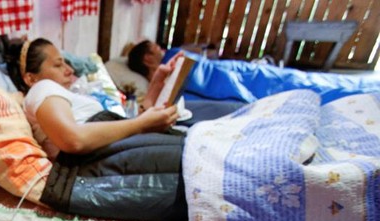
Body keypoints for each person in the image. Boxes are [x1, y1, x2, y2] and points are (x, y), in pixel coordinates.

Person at [5, 38, 242, 221]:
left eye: (66, 62)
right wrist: (141, 125)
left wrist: (157, 84)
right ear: (30, 77)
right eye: (58, 64)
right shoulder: (41, 88)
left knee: (215, 138)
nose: (68, 69)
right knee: (211, 154)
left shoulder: (68, 95)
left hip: (114, 149)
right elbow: (72, 139)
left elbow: (120, 129)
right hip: (93, 164)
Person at [127, 39, 380, 104]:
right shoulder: (171, 66)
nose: (162, 48)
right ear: (148, 57)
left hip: (244, 74)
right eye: (155, 47)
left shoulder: (175, 60)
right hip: (246, 81)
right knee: (307, 85)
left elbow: (207, 72)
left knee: (305, 81)